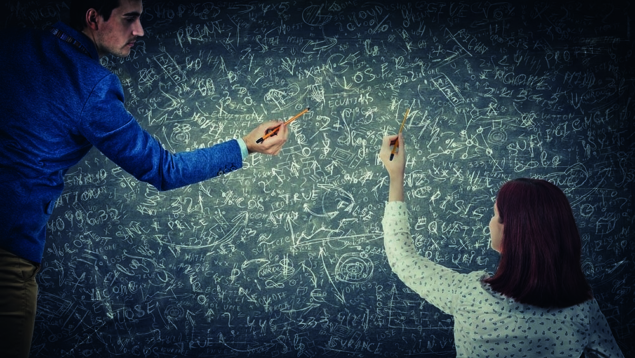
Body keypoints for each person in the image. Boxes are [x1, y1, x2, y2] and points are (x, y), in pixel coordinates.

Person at [0, 0, 290, 357]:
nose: (139, 31)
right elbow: (163, 169)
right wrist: (246, 146)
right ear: (93, 17)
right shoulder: (92, 88)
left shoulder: (12, 42)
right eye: (129, 19)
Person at [379, 133, 624, 357]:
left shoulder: (469, 296)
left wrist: (396, 176)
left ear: (511, 234)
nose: (490, 222)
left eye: (495, 215)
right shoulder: (581, 310)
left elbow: (403, 259)